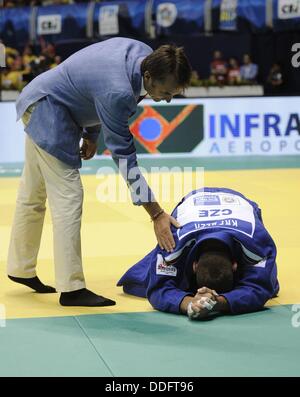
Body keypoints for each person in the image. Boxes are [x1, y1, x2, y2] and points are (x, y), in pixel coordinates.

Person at [7, 37, 192, 307]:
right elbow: (125, 157)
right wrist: (156, 213)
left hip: (44, 97)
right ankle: (72, 289)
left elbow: (91, 87)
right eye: (166, 92)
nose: (166, 99)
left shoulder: (142, 55)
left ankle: (20, 268)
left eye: (173, 94)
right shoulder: (118, 90)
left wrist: (91, 134)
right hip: (48, 109)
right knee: (69, 197)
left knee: (33, 193)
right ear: (149, 76)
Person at [117, 187, 279, 320]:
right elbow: (158, 290)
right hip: (194, 201)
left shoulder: (258, 243)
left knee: (269, 285)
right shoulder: (172, 242)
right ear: (234, 264)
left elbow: (260, 288)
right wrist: (191, 304)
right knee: (146, 282)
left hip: (240, 202)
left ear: (194, 266)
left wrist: (218, 302)